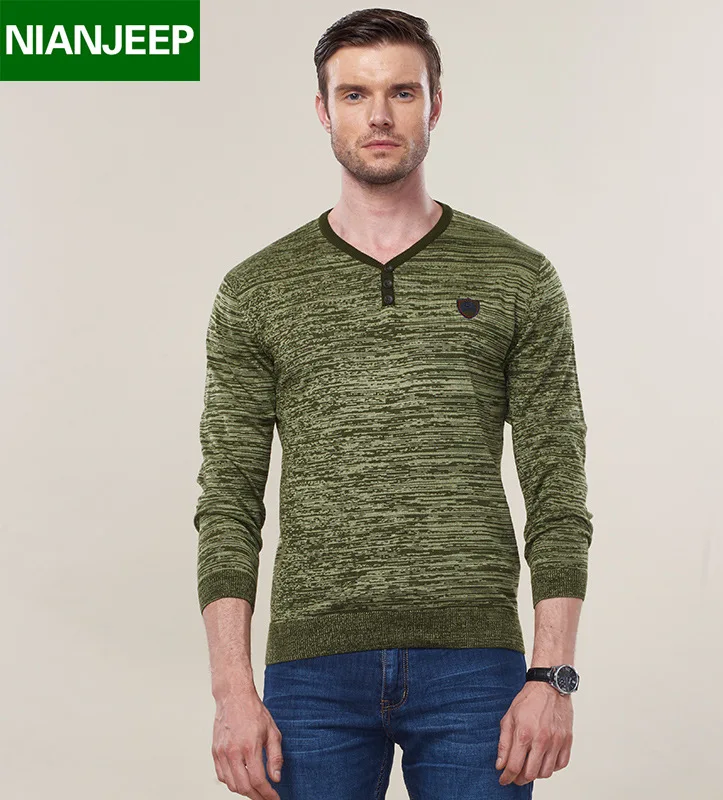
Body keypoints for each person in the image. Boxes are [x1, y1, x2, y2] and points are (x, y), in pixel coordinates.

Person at [193, 8, 593, 800]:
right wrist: (232, 692)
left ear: (434, 104)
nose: (378, 115)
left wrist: (553, 674)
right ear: (323, 110)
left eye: (402, 92)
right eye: (355, 94)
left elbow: (558, 486)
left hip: (475, 666)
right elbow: (228, 501)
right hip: (311, 669)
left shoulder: (517, 277)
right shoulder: (257, 290)